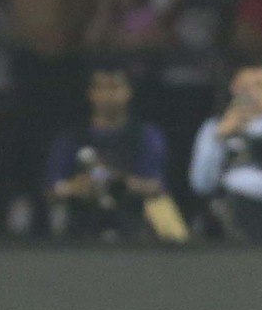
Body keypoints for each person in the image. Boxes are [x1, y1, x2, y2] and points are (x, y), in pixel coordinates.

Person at [45, 68, 183, 242]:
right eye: (101, 88)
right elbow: (52, 188)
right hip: (81, 228)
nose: (108, 95)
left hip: (134, 226)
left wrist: (119, 182)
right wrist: (75, 187)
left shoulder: (145, 136)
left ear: (128, 92)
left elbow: (156, 186)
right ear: (91, 94)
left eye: (115, 88)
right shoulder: (72, 138)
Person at [189, 63, 262, 243]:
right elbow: (201, 184)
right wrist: (218, 139)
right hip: (227, 224)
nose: (252, 93)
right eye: (245, 87)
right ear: (234, 88)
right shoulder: (215, 127)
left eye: (260, 86)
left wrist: (234, 181)